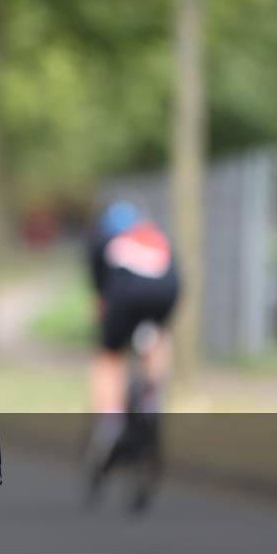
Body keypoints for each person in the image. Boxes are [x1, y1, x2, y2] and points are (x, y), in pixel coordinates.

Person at [83, 201, 180, 499]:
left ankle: (110, 420)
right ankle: (153, 395)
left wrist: (103, 311)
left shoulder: (102, 239)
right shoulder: (154, 233)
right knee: (157, 338)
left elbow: (99, 287)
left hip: (125, 294)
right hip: (167, 290)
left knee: (108, 357)